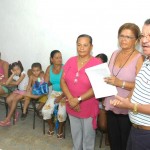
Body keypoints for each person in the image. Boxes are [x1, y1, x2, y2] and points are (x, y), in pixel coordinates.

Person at [110, 19, 150, 150]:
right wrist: (127, 100)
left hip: (145, 131)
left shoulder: (140, 58)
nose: (145, 40)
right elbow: (139, 86)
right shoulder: (147, 61)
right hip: (135, 125)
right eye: (143, 36)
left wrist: (131, 105)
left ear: (135, 41)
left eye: (149, 36)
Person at [61, 34, 102, 150]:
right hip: (71, 104)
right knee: (75, 134)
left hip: (88, 106)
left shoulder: (96, 63)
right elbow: (62, 81)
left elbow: (97, 87)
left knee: (88, 137)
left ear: (91, 47)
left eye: (85, 45)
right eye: (79, 45)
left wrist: (78, 100)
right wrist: (71, 99)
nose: (81, 48)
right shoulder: (71, 61)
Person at [42, 50, 67, 139]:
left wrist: (61, 96)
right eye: (56, 58)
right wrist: (39, 87)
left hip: (65, 93)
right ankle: (51, 125)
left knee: (61, 113)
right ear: (51, 59)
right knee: (45, 111)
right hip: (54, 92)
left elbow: (69, 86)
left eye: (60, 57)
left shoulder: (65, 68)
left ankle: (60, 128)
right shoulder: (49, 68)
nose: (59, 59)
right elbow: (46, 82)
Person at [0, 61, 28, 126]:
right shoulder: (15, 75)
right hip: (18, 91)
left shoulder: (23, 73)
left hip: (25, 91)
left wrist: (8, 82)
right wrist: (12, 74)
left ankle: (8, 119)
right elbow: (7, 83)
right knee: (8, 100)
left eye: (18, 69)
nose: (16, 71)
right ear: (12, 70)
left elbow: (16, 83)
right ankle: (15, 113)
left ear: (21, 68)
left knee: (15, 100)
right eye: (14, 70)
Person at [96, 53, 109, 146]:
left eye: (99, 62)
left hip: (102, 102)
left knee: (103, 126)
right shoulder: (89, 71)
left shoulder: (107, 74)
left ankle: (108, 134)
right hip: (90, 101)